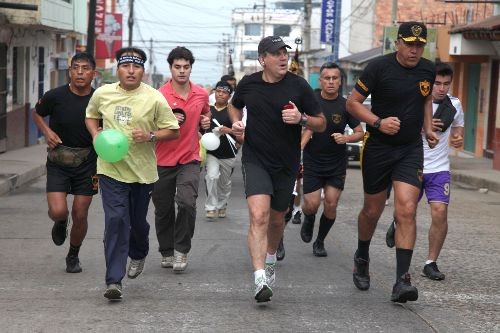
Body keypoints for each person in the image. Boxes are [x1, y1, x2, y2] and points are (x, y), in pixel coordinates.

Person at [345, 22, 439, 303]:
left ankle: (401, 280)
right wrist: (377, 122)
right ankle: (362, 254)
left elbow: (424, 100)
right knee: (372, 211)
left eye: (419, 45)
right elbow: (352, 103)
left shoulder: (428, 69)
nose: (414, 50)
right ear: (397, 43)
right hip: (378, 148)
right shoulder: (377, 68)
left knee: (407, 209)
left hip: (410, 149)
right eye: (409, 44)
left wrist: (428, 128)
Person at [229, 36, 326, 303]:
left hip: (287, 162)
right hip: (255, 159)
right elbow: (234, 106)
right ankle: (260, 277)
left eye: (286, 53)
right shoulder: (249, 83)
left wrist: (302, 118)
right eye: (277, 54)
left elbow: (321, 123)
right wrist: (237, 123)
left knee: (276, 218)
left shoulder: (299, 86)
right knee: (258, 216)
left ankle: (270, 254)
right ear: (262, 59)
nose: (284, 58)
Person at [85, 47, 179, 300]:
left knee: (137, 223)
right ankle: (114, 280)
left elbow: (173, 130)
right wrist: (96, 135)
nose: (131, 71)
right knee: (116, 220)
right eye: (126, 66)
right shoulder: (103, 94)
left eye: (136, 67)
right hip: (110, 169)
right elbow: (91, 116)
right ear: (118, 69)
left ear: (143, 71)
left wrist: (150, 135)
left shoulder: (155, 98)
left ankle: (138, 252)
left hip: (142, 172)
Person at [386, 62, 464, 281]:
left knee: (440, 212)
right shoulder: (415, 101)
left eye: (446, 84)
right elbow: (396, 126)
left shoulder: (455, 105)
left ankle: (431, 262)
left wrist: (457, 139)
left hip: (439, 169)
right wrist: (422, 126)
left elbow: (458, 130)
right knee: (405, 212)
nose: (441, 88)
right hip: (412, 165)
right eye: (437, 83)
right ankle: (396, 223)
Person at [32, 52, 98, 274]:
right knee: (59, 210)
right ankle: (60, 222)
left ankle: (73, 254)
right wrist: (46, 130)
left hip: (88, 162)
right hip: (58, 160)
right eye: (75, 68)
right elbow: (37, 113)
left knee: (81, 213)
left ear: (93, 73)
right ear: (69, 71)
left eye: (85, 68)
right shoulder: (54, 96)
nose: (80, 72)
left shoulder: (100, 100)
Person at [153, 46, 211, 273]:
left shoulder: (200, 94)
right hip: (161, 160)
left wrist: (206, 121)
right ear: (170, 68)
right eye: (177, 67)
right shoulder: (159, 95)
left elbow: (206, 113)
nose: (182, 71)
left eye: (186, 67)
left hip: (189, 158)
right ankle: (166, 250)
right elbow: (148, 124)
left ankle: (181, 249)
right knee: (163, 209)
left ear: (191, 68)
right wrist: (165, 121)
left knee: (187, 202)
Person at [300, 62, 364, 257]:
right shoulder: (311, 103)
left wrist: (347, 138)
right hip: (313, 161)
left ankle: (320, 241)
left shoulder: (346, 105)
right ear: (320, 80)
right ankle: (309, 218)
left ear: (340, 81)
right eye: (327, 78)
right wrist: (299, 149)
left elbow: (360, 132)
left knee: (331, 203)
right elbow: (305, 127)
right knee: (311, 204)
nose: (330, 82)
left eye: (334, 78)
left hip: (336, 163)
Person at [204, 81, 240, 219]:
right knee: (211, 177)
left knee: (224, 182)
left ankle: (222, 204)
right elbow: (201, 128)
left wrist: (228, 130)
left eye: (224, 92)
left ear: (229, 96)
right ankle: (211, 207)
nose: (220, 94)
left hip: (228, 152)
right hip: (212, 152)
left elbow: (239, 131)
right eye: (218, 91)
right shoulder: (208, 110)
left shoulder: (233, 111)